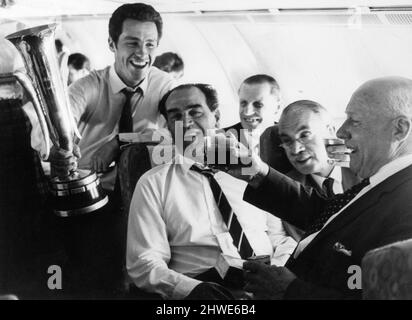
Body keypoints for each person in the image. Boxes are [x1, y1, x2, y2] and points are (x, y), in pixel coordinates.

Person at [29, 3, 175, 297]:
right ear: (111, 44)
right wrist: (56, 148)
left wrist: (121, 140)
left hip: (142, 199)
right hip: (89, 198)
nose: (142, 53)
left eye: (150, 44)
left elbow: (182, 135)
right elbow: (41, 135)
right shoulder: (88, 86)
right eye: (132, 42)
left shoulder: (165, 86)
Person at [225, 76, 412, 299]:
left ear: (399, 129)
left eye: (354, 120)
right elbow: (330, 214)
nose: (341, 133)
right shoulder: (385, 180)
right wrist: (256, 173)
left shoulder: (406, 201)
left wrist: (290, 290)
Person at [126, 83, 297, 299]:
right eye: (175, 116)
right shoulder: (154, 183)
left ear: (216, 116)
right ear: (168, 126)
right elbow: (144, 262)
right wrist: (191, 289)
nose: (186, 122)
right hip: (203, 292)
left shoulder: (250, 171)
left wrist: (277, 273)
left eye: (195, 112)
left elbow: (280, 238)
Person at [278, 100, 359, 240]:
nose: (296, 149)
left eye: (304, 135)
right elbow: (283, 241)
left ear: (331, 131)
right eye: (287, 141)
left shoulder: (365, 172)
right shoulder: (282, 188)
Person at [225, 74, 292, 174]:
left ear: (277, 108)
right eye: (243, 103)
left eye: (258, 105)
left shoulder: (292, 140)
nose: (247, 112)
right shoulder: (220, 139)